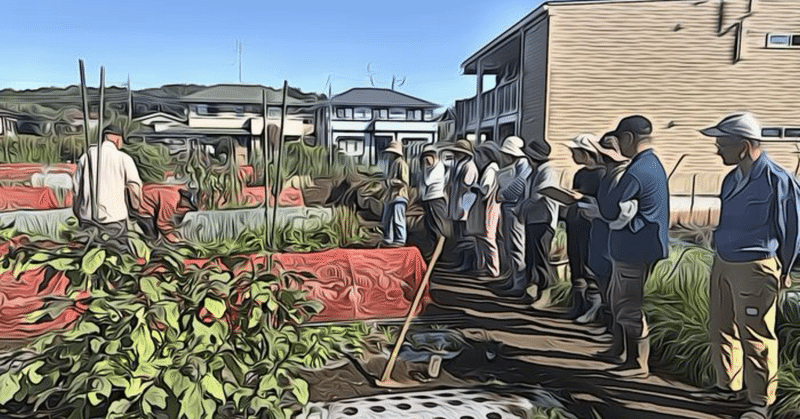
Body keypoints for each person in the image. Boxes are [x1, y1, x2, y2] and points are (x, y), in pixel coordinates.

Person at [698, 113, 800, 419]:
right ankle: (727, 386)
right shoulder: (731, 178)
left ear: (743, 146)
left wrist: (786, 269)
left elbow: (794, 228)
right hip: (724, 262)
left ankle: (760, 402)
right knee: (721, 326)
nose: (717, 150)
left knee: (756, 334)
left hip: (756, 267)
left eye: (722, 144)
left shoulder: (778, 180)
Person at [597, 115, 669, 378]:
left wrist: (610, 169)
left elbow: (608, 207)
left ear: (627, 138)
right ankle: (626, 355)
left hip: (633, 248)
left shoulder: (638, 170)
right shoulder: (651, 165)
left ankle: (638, 363)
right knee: (622, 302)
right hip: (637, 245)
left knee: (628, 304)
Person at [73, 124, 143, 255]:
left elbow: (76, 190)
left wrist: (78, 212)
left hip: (88, 220)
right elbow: (134, 186)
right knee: (116, 260)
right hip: (115, 221)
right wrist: (135, 206)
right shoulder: (124, 158)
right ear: (117, 139)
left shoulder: (85, 157)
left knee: (89, 258)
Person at [564, 134, 605, 319]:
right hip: (575, 222)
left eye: (575, 152)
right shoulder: (579, 174)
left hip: (591, 226)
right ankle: (577, 304)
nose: (573, 155)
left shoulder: (602, 174)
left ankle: (593, 306)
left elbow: (604, 204)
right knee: (575, 261)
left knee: (589, 264)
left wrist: (583, 198)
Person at [495, 136, 534, 300]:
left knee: (515, 246)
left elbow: (515, 189)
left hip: (514, 209)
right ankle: (512, 279)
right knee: (508, 245)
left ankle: (518, 283)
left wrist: (502, 194)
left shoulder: (522, 166)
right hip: (506, 207)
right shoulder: (514, 167)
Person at [522, 140, 559, 308]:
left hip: (543, 220)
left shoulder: (547, 171)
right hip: (533, 219)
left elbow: (537, 196)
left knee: (541, 257)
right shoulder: (535, 171)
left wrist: (521, 208)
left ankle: (546, 293)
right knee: (532, 256)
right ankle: (533, 288)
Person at [468, 141, 503, 278]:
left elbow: (485, 189)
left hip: (488, 207)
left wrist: (475, 187)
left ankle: (493, 270)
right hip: (483, 207)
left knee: (488, 238)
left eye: (480, 155)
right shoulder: (487, 169)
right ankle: (483, 267)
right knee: (481, 238)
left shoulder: (491, 170)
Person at [447, 139, 479, 271]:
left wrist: (464, 209)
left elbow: (468, 186)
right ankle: (460, 261)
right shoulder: (459, 165)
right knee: (459, 235)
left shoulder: (469, 166)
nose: (456, 154)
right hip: (457, 203)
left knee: (465, 236)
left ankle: (467, 263)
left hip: (465, 202)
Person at [420, 144, 448, 256]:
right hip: (428, 199)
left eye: (428, 158)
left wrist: (425, 169)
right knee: (430, 226)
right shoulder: (430, 167)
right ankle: (432, 251)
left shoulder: (439, 167)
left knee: (438, 225)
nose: (426, 161)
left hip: (436, 199)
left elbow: (427, 181)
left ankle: (440, 252)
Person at [381, 141, 409, 247]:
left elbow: (404, 182)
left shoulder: (401, 163)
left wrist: (389, 182)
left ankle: (400, 239)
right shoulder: (393, 164)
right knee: (387, 219)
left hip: (399, 195)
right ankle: (389, 239)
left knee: (398, 218)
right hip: (391, 197)